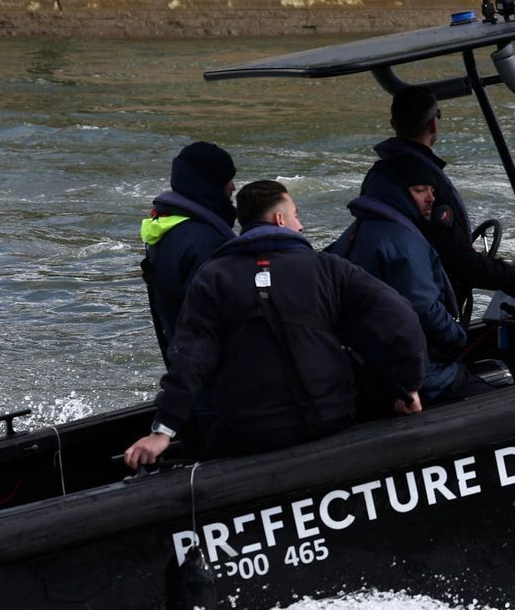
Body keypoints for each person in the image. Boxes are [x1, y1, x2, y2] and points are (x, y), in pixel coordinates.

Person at [124, 180, 427, 469]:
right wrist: (408, 387)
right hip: (332, 416)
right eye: (296, 215)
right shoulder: (328, 268)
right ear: (280, 219)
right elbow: (402, 319)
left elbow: (189, 358)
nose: (301, 225)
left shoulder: (212, 278)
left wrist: (162, 431)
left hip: (250, 432)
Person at [369, 86, 515, 316]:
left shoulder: (379, 176)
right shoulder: (428, 181)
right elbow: (459, 262)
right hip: (430, 308)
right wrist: (514, 272)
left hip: (390, 297)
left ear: (393, 124)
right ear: (433, 124)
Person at [326, 155, 470, 405]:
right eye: (419, 190)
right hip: (420, 377)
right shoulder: (402, 241)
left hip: (370, 372)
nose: (431, 198)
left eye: (432, 189)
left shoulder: (354, 234)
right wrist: (458, 338)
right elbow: (424, 309)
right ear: (394, 193)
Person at [141, 141, 238, 363]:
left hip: (185, 365)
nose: (233, 187)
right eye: (228, 179)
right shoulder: (205, 241)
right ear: (211, 184)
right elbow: (214, 318)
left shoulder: (168, 229)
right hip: (210, 373)